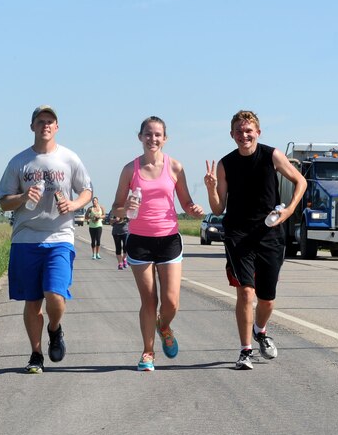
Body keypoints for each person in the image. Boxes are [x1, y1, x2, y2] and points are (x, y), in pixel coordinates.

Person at [204, 110, 306, 371]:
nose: (244, 135)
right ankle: (245, 350)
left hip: (270, 233)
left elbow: (300, 182)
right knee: (245, 291)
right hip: (238, 235)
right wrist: (210, 187)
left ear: (258, 133)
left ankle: (260, 331)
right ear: (232, 135)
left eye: (248, 130)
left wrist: (289, 210)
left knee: (267, 298)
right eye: (239, 131)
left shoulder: (272, 155)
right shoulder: (226, 164)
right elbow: (217, 209)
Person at [0, 104, 93, 374]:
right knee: (32, 301)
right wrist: (24, 197)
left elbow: (86, 189)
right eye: (41, 122)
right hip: (26, 238)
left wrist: (74, 206)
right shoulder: (19, 162)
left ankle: (55, 328)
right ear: (32, 127)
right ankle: (36, 354)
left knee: (55, 294)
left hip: (60, 236)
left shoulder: (69, 158)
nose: (46, 126)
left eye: (50, 121)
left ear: (57, 127)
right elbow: (4, 201)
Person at [111, 116, 205, 371]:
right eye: (148, 134)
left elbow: (185, 202)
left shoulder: (174, 167)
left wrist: (193, 209)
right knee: (149, 301)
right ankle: (147, 353)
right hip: (140, 241)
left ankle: (164, 326)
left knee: (171, 302)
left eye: (158, 135)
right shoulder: (130, 169)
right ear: (140, 137)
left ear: (165, 138)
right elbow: (115, 210)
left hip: (169, 239)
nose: (153, 139)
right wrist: (125, 207)